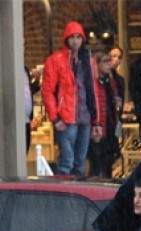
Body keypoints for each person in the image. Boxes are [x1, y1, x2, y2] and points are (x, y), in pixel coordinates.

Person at [41, 21, 101, 177]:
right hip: (66, 117)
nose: (76, 41)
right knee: (67, 161)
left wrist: (96, 121)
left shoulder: (88, 60)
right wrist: (55, 118)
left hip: (84, 116)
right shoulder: (55, 60)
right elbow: (47, 91)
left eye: (78, 37)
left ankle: (75, 196)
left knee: (80, 161)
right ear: (66, 39)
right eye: (72, 37)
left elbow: (93, 91)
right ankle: (66, 196)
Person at [87, 50, 124, 179]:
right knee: (96, 164)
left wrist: (118, 103)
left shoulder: (113, 81)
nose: (110, 63)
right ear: (96, 64)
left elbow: (117, 108)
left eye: (110, 60)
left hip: (110, 126)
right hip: (98, 127)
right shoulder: (92, 83)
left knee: (108, 163)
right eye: (106, 61)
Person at [24, 66, 41, 153]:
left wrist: (37, 81)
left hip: (26, 119)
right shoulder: (14, 68)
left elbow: (29, 90)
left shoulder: (25, 70)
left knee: (26, 146)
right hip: (18, 119)